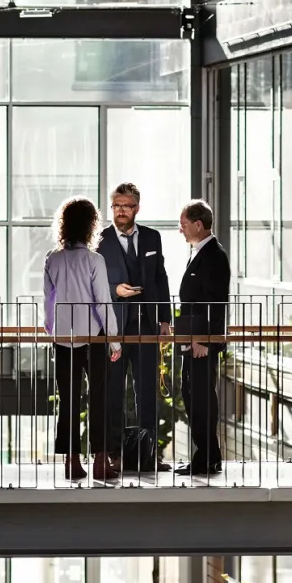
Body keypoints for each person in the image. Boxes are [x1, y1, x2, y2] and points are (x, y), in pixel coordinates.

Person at [43, 196, 122, 483]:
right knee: (99, 397)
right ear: (91, 225)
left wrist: (51, 329)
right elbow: (103, 302)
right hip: (94, 337)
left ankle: (71, 461)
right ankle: (101, 461)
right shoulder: (94, 260)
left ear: (64, 225)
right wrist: (114, 340)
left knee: (68, 400)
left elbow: (48, 300)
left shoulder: (52, 258)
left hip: (64, 337)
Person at [96, 182, 173, 471]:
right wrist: (116, 290)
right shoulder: (100, 240)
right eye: (116, 206)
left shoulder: (152, 237)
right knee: (114, 391)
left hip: (147, 327)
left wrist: (165, 319)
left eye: (126, 206)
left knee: (148, 391)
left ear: (136, 208)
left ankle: (148, 455)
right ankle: (114, 455)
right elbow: (94, 282)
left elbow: (161, 277)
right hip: (113, 328)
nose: (120, 211)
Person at [174, 199, 230, 477]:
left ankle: (207, 458)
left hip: (201, 342)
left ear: (198, 224)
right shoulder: (199, 253)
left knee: (201, 398)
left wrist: (204, 340)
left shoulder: (214, 256)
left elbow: (215, 302)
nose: (180, 230)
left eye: (183, 225)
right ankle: (207, 455)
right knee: (192, 394)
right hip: (193, 339)